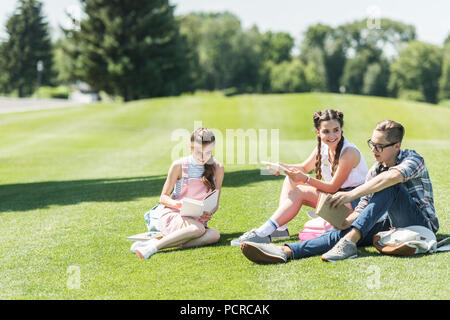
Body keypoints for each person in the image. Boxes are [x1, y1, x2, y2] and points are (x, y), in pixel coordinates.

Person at [239, 120, 439, 263]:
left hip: (421, 225)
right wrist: (346, 220)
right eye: (372, 144)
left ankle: (350, 243)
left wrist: (351, 194)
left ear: (397, 146)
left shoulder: (413, 159)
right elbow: (363, 207)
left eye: (380, 146)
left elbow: (392, 178)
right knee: (343, 232)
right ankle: (286, 251)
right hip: (390, 226)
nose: (374, 150)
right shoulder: (375, 169)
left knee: (390, 185)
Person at [231, 109, 368, 246]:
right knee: (290, 179)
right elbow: (303, 168)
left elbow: (333, 187)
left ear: (341, 130)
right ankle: (279, 229)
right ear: (318, 132)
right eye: (326, 131)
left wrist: (305, 179)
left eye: (336, 130)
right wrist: (281, 167)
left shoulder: (349, 152)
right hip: (338, 198)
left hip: (353, 204)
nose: (332, 135)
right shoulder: (323, 148)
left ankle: (262, 233)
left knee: (301, 191)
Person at [132, 128, 225, 259]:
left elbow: (215, 202)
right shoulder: (179, 165)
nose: (204, 157)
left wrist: (209, 211)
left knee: (214, 235)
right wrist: (179, 204)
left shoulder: (218, 168)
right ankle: (152, 249)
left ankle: (158, 242)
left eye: (208, 152)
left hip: (196, 219)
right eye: (199, 152)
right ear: (190, 147)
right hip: (174, 214)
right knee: (198, 230)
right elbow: (163, 197)